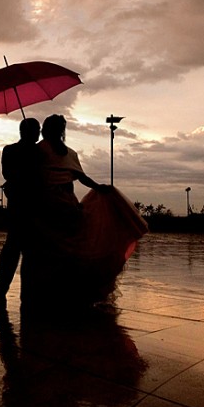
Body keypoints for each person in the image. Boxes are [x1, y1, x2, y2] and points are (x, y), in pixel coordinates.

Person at [21, 114, 147, 311]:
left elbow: (31, 179)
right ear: (62, 131)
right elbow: (83, 178)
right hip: (68, 205)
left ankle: (47, 293)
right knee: (71, 250)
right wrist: (100, 188)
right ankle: (70, 291)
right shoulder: (69, 153)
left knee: (47, 251)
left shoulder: (38, 151)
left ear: (44, 130)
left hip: (46, 207)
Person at [0, 118, 42, 306]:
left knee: (19, 249)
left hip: (26, 206)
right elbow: (8, 173)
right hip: (23, 206)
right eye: (37, 130)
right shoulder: (15, 150)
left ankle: (9, 288)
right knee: (17, 249)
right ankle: (4, 287)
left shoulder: (29, 151)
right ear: (27, 131)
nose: (39, 133)